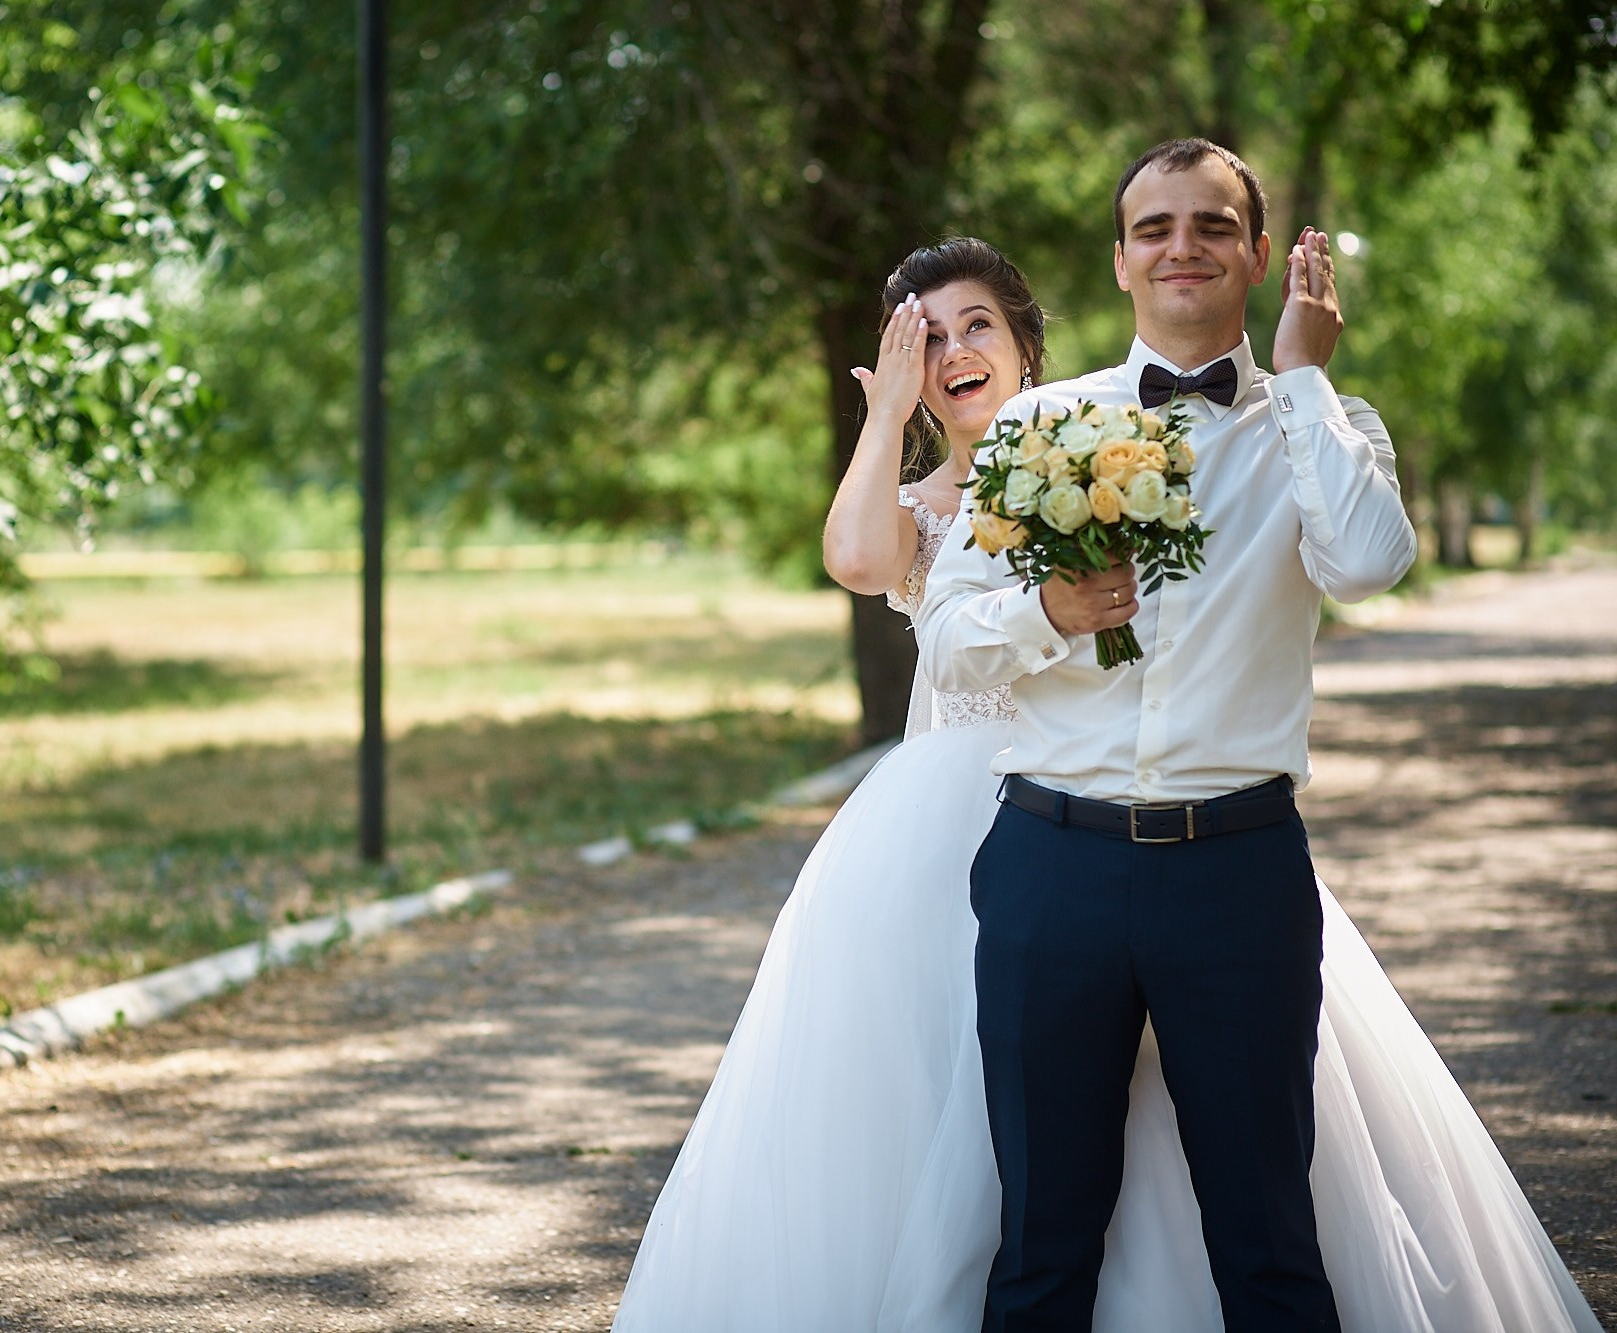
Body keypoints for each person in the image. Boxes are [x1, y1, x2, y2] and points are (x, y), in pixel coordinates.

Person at [613, 226, 1600, 1329]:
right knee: (974, 1125)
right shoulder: (936, 489)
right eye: (924, 340)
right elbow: (854, 560)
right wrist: (886, 416)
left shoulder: (1111, 441)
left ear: (1024, 339)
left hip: (1138, 812)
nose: (951, 352)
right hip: (950, 830)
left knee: (1202, 1118)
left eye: (974, 325)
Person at [915, 139, 1600, 1331]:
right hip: (1047, 864)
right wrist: (1046, 609)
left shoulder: (1323, 427)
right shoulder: (1035, 423)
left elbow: (1370, 563)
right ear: (1119, 261)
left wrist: (1302, 380)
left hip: (1235, 868)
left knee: (1268, 1235)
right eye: (1153, 228)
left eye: (1211, 225)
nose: (1181, 246)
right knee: (1039, 1236)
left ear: (1259, 255)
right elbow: (945, 638)